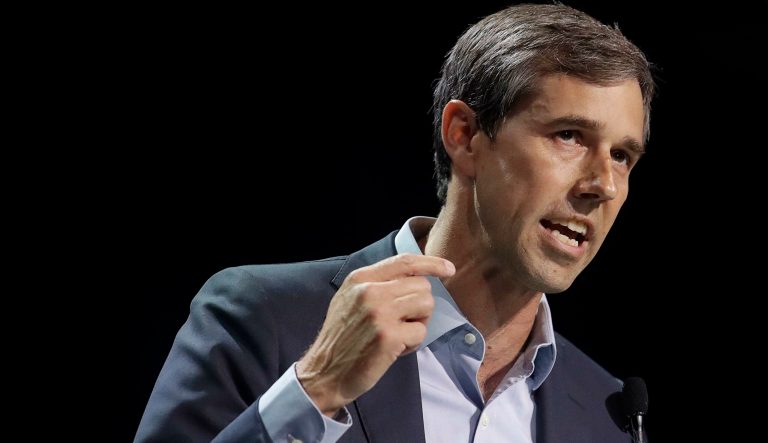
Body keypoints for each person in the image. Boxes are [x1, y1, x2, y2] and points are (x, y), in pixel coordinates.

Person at [136, 3, 654, 442]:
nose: (602, 185)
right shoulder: (266, 318)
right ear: (465, 135)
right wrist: (316, 388)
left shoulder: (607, 412)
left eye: (623, 156)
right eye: (569, 136)